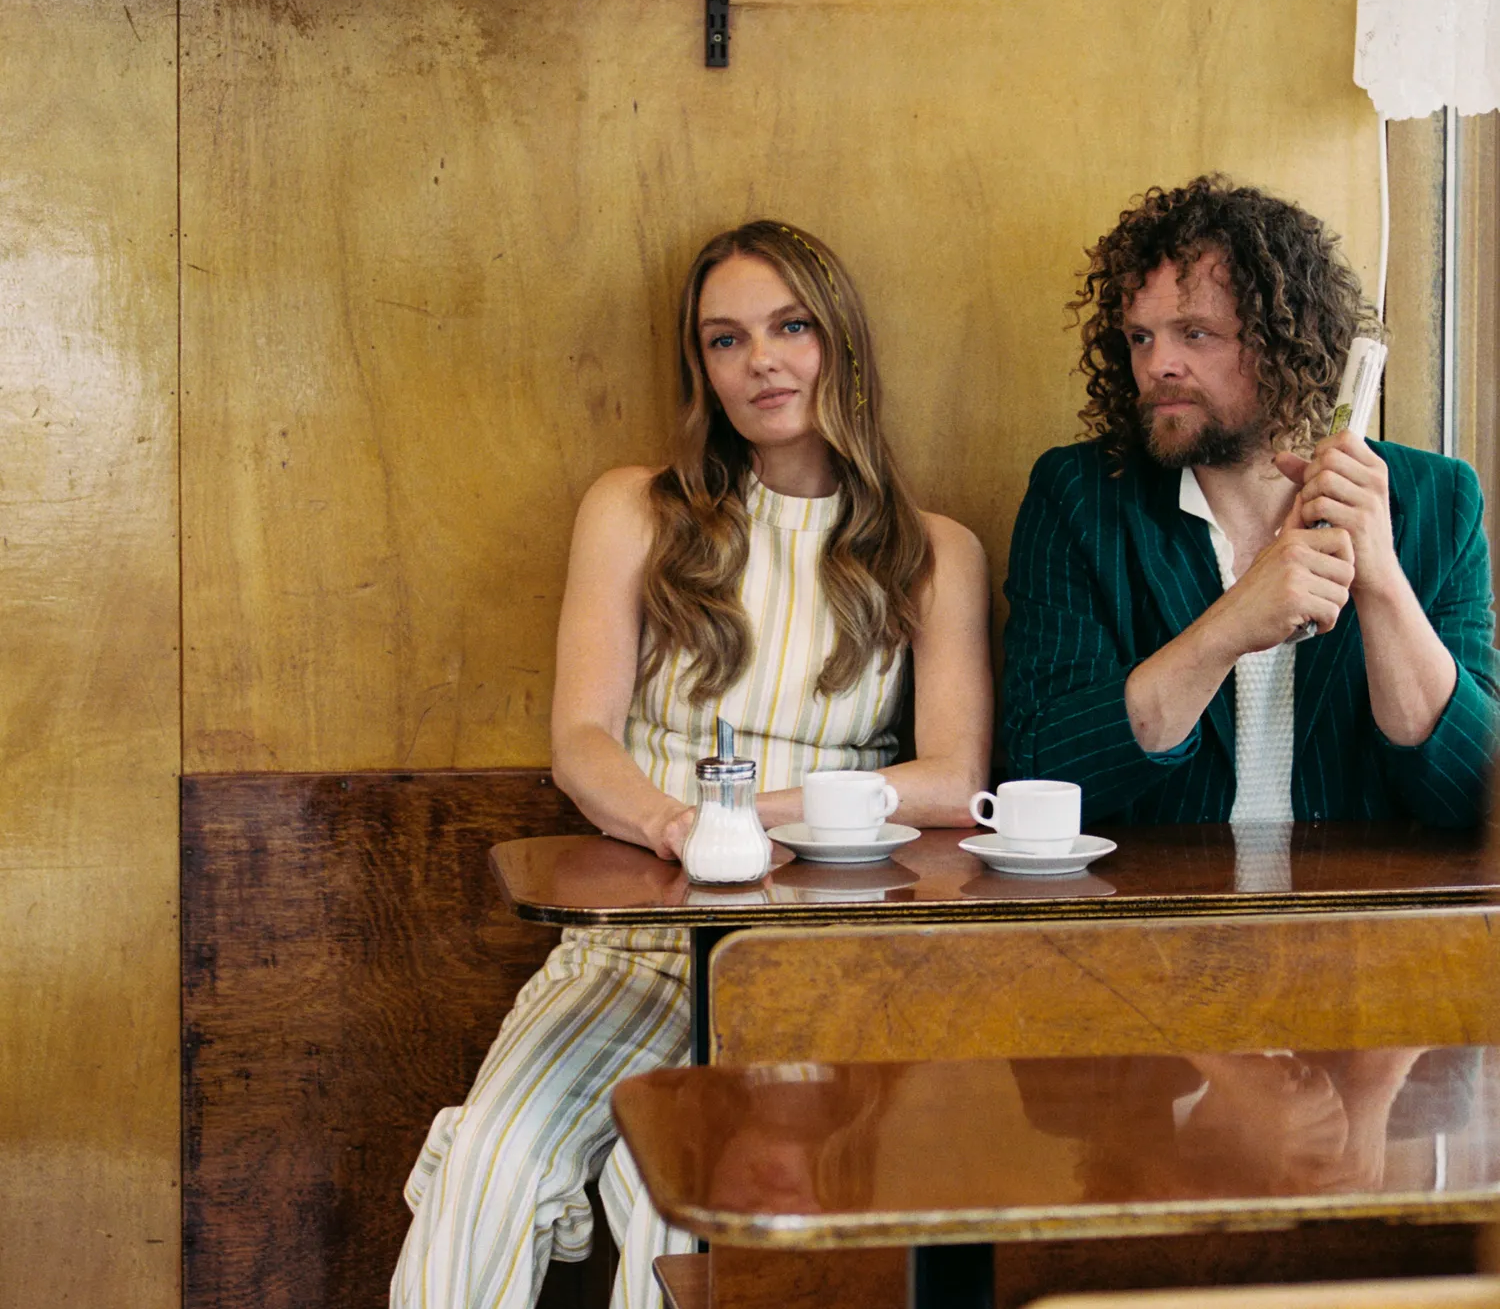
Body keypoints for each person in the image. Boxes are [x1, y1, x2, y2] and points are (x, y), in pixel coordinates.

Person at [391, 220, 992, 1309]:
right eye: (726, 339)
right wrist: (677, 829)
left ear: (841, 341)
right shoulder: (636, 509)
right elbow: (581, 742)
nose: (760, 361)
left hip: (814, 952)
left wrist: (751, 820)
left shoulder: (934, 550)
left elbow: (954, 779)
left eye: (790, 327)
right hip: (637, 933)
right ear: (701, 368)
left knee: (671, 1195)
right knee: (487, 1159)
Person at [1002, 175, 1498, 826]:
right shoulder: (1079, 496)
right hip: (1151, 889)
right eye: (1141, 337)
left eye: (1195, 333)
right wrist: (1229, 628)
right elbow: (1041, 772)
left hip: (1359, 890)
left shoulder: (1439, 500)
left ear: (1286, 340)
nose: (1158, 365)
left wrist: (1379, 579)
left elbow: (1476, 798)